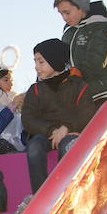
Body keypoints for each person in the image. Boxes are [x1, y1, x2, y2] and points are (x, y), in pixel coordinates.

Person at [22, 39, 97, 193]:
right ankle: (40, 195)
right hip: (46, 135)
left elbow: (86, 112)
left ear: (54, 61)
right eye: (35, 62)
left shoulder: (79, 86)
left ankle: (65, 193)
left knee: (68, 146)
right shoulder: (36, 89)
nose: (36, 67)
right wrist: (51, 131)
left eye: (41, 62)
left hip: (71, 132)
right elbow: (28, 119)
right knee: (34, 147)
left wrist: (66, 128)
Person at [54, 0, 107, 106]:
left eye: (67, 12)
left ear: (81, 7)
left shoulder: (100, 27)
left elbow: (95, 61)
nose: (64, 18)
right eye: (61, 13)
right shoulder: (69, 32)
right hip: (80, 95)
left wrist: (74, 76)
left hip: (103, 94)